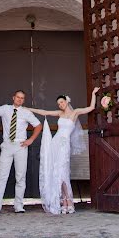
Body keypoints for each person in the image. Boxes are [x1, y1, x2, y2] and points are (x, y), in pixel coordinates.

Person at [26, 87, 100, 215]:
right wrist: (28, 109)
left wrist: (93, 93)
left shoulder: (75, 112)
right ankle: (64, 201)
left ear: (66, 101)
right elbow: (44, 112)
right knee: (56, 172)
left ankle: (68, 201)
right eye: (59, 104)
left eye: (62, 102)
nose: (60, 105)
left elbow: (91, 108)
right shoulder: (60, 114)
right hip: (55, 143)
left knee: (62, 172)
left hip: (64, 145)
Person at [0, 89, 42, 214]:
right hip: (7, 145)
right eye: (18, 97)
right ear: (13, 97)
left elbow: (38, 125)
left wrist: (31, 140)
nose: (20, 99)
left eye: (22, 98)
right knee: (2, 176)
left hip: (20, 145)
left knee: (20, 176)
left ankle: (19, 205)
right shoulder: (5, 109)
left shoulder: (26, 113)